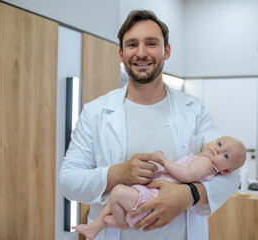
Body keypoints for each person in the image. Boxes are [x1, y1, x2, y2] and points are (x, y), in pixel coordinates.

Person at [59, 9, 240, 240]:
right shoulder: (95, 112)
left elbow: (232, 171)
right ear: (121, 53)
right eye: (132, 44)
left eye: (151, 43)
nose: (141, 53)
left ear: (167, 50)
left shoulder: (195, 110)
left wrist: (189, 194)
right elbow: (68, 182)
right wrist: (117, 173)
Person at [71, 136, 246, 240]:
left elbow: (187, 175)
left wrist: (164, 161)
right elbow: (69, 180)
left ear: (226, 170)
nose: (217, 149)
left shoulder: (206, 162)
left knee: (117, 193)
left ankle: (120, 222)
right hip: (151, 193)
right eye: (219, 143)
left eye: (225, 155)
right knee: (115, 198)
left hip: (155, 197)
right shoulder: (205, 160)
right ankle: (94, 228)